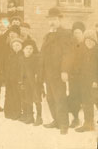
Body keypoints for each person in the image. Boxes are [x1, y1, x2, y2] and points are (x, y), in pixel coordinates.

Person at [40, 7, 73, 135]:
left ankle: (64, 124)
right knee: (50, 99)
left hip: (58, 73)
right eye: (50, 20)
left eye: (54, 19)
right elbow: (43, 54)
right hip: (48, 73)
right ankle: (56, 121)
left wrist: (64, 70)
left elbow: (68, 54)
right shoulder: (47, 36)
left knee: (60, 98)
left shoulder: (65, 34)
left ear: (59, 20)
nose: (52, 22)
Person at [74, 30, 98, 132]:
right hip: (84, 82)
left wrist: (96, 81)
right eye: (87, 40)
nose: (89, 43)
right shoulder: (82, 51)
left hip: (94, 82)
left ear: (95, 42)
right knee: (86, 103)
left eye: (92, 41)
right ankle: (88, 124)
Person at [20, 39, 43, 126]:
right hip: (26, 82)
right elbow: (21, 71)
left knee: (36, 100)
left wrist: (38, 79)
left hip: (34, 82)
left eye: (31, 48)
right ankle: (30, 117)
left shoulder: (35, 58)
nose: (29, 50)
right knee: (28, 99)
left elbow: (39, 70)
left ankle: (39, 117)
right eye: (27, 48)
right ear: (23, 49)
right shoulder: (22, 59)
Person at [67, 21, 86, 129]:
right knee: (74, 96)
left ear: (82, 33)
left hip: (84, 77)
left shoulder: (87, 44)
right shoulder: (71, 45)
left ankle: (89, 120)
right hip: (73, 76)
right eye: (74, 33)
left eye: (78, 32)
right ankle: (75, 118)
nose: (76, 35)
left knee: (86, 97)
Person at [4, 37, 23, 120]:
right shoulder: (10, 56)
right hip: (10, 79)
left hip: (17, 79)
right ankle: (8, 112)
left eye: (18, 45)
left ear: (21, 46)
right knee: (9, 95)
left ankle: (17, 113)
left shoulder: (22, 56)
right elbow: (7, 67)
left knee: (17, 96)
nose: (16, 47)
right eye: (14, 45)